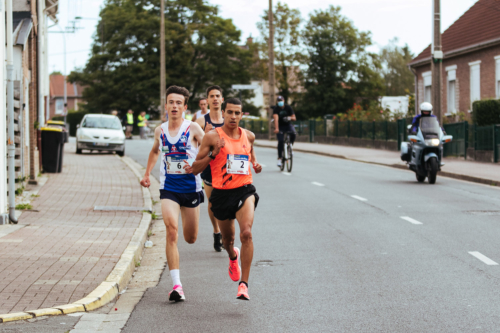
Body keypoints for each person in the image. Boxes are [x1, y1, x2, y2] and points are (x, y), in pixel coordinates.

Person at [185, 97, 262, 301]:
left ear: (242, 114)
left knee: (246, 233)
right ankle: (232, 255)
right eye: (230, 112)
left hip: (245, 189)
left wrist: (255, 163)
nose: (234, 117)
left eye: (238, 113)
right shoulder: (211, 137)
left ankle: (244, 285)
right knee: (228, 241)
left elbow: (249, 152)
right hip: (221, 193)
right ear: (224, 113)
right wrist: (213, 153)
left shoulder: (249, 136)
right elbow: (194, 169)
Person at [140, 86, 205, 302]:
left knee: (190, 237)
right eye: (171, 102)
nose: (174, 106)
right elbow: (155, 150)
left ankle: (178, 282)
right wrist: (147, 173)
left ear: (185, 107)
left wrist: (198, 165)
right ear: (166, 105)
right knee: (171, 230)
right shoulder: (160, 130)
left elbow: (210, 150)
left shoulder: (194, 128)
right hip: (169, 189)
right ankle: (177, 285)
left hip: (191, 189)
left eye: (179, 102)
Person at [195, 86, 225, 252]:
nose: (214, 99)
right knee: (213, 202)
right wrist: (203, 137)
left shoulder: (228, 120)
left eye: (217, 96)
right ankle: (216, 231)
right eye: (211, 96)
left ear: (222, 99)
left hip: (226, 167)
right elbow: (195, 149)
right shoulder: (201, 122)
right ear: (207, 100)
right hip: (209, 167)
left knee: (227, 201)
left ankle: (226, 232)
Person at [273, 96, 296, 168]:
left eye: (281, 100)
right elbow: (276, 119)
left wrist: (289, 118)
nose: (280, 102)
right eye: (278, 101)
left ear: (284, 100)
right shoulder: (276, 109)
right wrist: (276, 128)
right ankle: (280, 159)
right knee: (280, 141)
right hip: (280, 126)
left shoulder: (288, 107)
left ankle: (290, 147)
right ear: (277, 102)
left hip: (288, 125)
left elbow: (294, 118)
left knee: (293, 134)